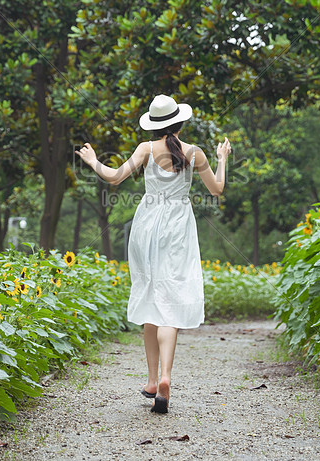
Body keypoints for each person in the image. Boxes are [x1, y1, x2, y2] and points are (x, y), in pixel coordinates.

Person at [75, 94, 231, 414]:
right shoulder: (194, 153)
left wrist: (92, 161)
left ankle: (150, 379)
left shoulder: (146, 149)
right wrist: (222, 157)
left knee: (150, 297)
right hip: (178, 229)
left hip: (147, 227)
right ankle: (165, 378)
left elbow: (115, 177)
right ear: (180, 121)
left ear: (155, 125)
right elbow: (217, 189)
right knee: (170, 302)